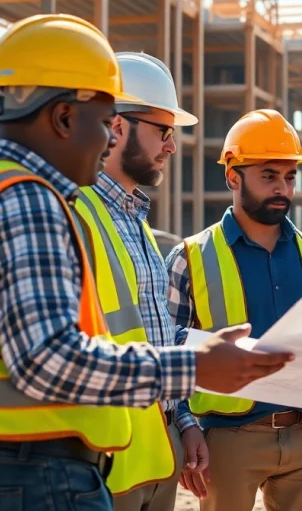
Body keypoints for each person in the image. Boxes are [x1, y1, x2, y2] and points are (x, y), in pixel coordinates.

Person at [0, 14, 293, 511]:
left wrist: (186, 396)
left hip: (20, 460)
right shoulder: (25, 199)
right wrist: (194, 366)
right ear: (63, 118)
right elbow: (47, 359)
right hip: (37, 465)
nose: (108, 141)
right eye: (102, 124)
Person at [163, 109, 302, 511]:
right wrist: (185, 426)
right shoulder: (189, 257)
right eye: (269, 176)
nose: (282, 188)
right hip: (226, 439)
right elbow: (168, 348)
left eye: (289, 177)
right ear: (233, 176)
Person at [73, 51, 208, 510]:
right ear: (117, 126)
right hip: (105, 457)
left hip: (158, 448)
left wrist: (184, 421)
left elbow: (156, 337)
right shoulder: (73, 213)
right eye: (163, 132)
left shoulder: (138, 224)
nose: (172, 147)